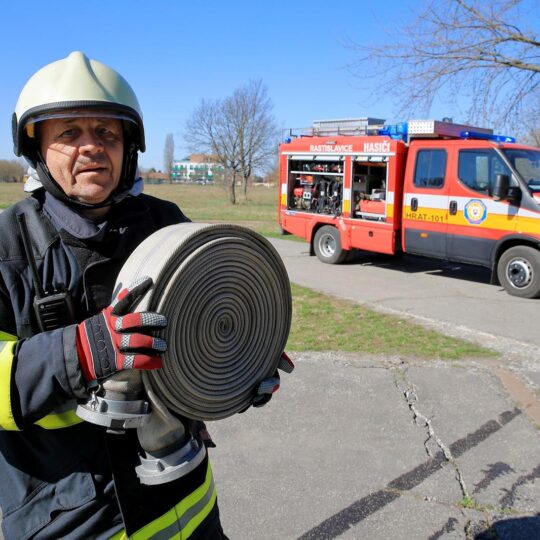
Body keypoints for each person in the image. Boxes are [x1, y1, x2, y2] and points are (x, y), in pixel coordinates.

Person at [0, 51, 284, 539]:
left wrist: (239, 370)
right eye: (69, 133)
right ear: (36, 149)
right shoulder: (7, 248)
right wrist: (82, 351)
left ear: (128, 146)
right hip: (73, 519)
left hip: (186, 500)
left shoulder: (166, 222)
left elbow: (209, 326)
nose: (91, 147)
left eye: (107, 133)